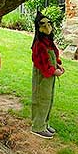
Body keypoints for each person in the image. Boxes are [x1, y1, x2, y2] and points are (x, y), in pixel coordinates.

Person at [31, 11, 64, 139]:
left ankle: (44, 123)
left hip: (49, 76)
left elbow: (54, 55)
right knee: (41, 99)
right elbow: (41, 63)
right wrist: (52, 71)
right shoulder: (38, 44)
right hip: (42, 76)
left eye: (49, 23)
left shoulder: (48, 42)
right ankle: (37, 127)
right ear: (38, 27)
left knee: (48, 99)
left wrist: (58, 65)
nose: (47, 27)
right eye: (43, 24)